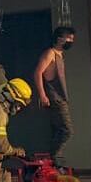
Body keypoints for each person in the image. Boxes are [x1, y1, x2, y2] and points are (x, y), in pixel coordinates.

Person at [34, 26, 76, 166]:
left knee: (59, 129)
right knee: (67, 130)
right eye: (68, 38)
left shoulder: (59, 55)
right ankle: (55, 160)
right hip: (54, 97)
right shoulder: (50, 53)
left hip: (60, 97)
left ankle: (54, 161)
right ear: (59, 39)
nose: (71, 40)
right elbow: (38, 72)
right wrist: (42, 94)